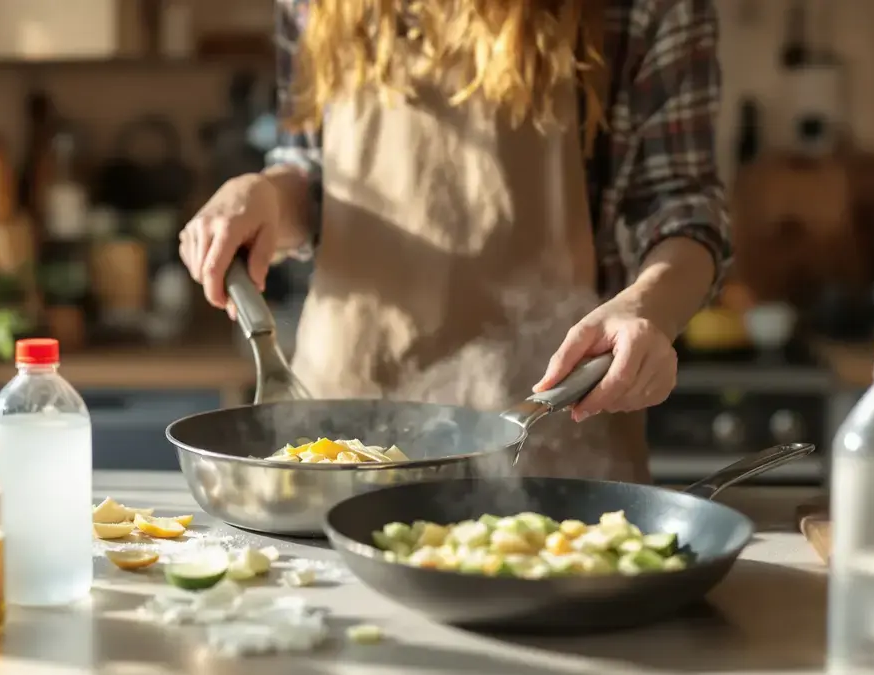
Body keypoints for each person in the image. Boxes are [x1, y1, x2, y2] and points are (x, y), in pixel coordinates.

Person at [178, 0, 731, 483]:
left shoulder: (643, 6)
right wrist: (268, 195)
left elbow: (679, 206)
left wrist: (647, 308)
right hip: (343, 431)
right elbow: (317, 176)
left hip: (547, 429)